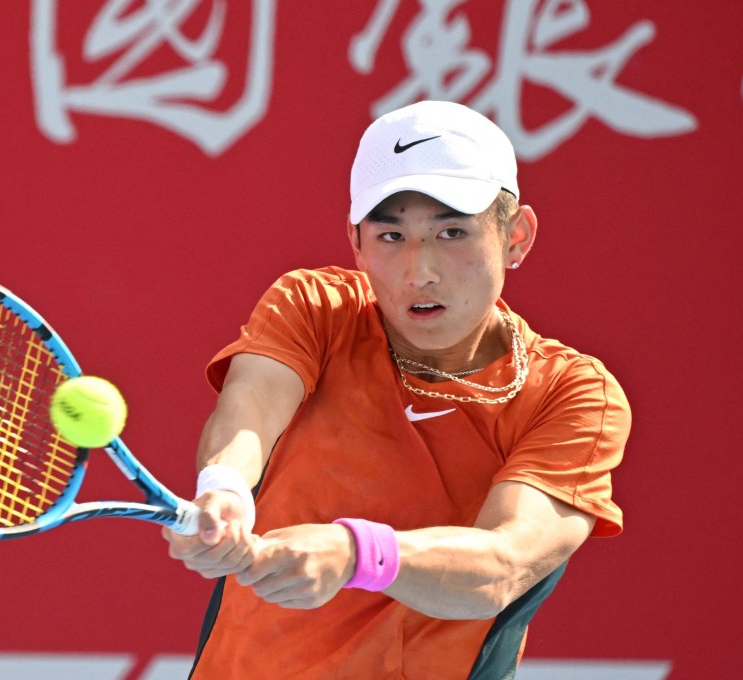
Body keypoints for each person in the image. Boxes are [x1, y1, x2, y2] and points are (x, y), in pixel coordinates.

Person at [162, 100, 629, 680]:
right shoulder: (316, 309)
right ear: (355, 243)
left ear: (516, 236)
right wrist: (227, 486)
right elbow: (251, 409)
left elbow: (503, 563)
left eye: (451, 232)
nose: (419, 270)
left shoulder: (573, 395)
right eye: (390, 235)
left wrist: (357, 554)